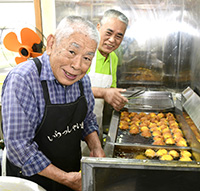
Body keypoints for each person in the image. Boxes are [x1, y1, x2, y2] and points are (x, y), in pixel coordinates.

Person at [1, 16, 105, 191]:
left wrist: (96, 147)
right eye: (72, 52)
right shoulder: (23, 80)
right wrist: (65, 179)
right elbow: (19, 147)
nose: (77, 66)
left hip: (71, 177)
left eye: (87, 58)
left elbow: (87, 119)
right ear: (51, 44)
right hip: (31, 183)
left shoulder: (82, 81)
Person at [87, 9, 129, 141]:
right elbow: (69, 88)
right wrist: (104, 93)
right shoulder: (85, 53)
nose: (112, 40)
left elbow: (111, 89)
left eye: (118, 36)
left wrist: (117, 99)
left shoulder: (113, 58)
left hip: (95, 122)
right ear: (98, 28)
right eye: (109, 33)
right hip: (73, 124)